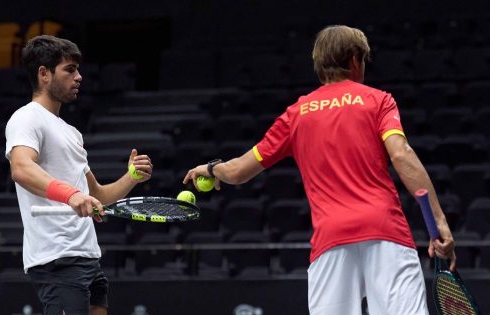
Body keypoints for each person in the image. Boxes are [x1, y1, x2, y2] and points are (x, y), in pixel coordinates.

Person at [183, 25, 456, 315]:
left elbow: (238, 172)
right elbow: (402, 155)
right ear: (354, 61)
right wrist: (439, 221)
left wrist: (211, 169)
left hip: (330, 239)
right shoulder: (379, 101)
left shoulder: (295, 115)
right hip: (385, 231)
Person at [5, 35, 153, 315]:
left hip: (87, 255)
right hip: (56, 258)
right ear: (44, 74)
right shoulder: (27, 118)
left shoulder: (72, 133)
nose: (79, 77)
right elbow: (21, 169)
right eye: (69, 70)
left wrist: (131, 177)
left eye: (78, 70)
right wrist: (71, 195)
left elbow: (96, 195)